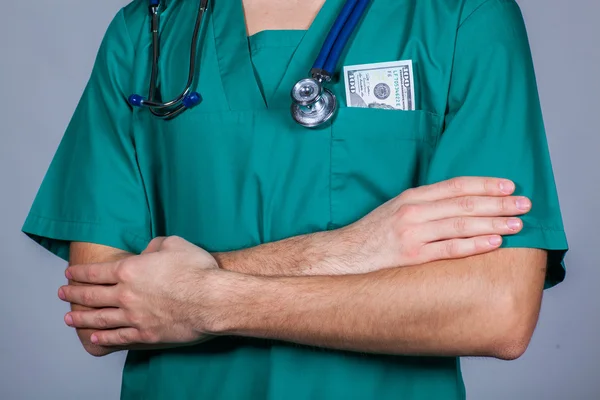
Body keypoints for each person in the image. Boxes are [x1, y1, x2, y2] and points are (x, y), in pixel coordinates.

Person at [22, 0, 569, 399]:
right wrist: (350, 249)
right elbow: (101, 309)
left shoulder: (462, 17)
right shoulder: (147, 30)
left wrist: (200, 300)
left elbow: (497, 310)